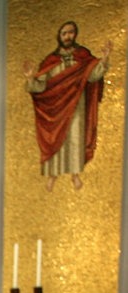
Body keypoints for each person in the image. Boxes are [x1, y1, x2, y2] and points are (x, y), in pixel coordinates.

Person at [24, 20, 111, 192]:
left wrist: (105, 58)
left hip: (76, 105)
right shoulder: (51, 60)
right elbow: (40, 86)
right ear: (59, 36)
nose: (67, 36)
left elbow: (93, 76)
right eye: (64, 33)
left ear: (75, 34)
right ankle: (52, 176)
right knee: (55, 138)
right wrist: (29, 78)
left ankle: (75, 174)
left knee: (75, 138)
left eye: (70, 32)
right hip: (55, 109)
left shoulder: (83, 56)